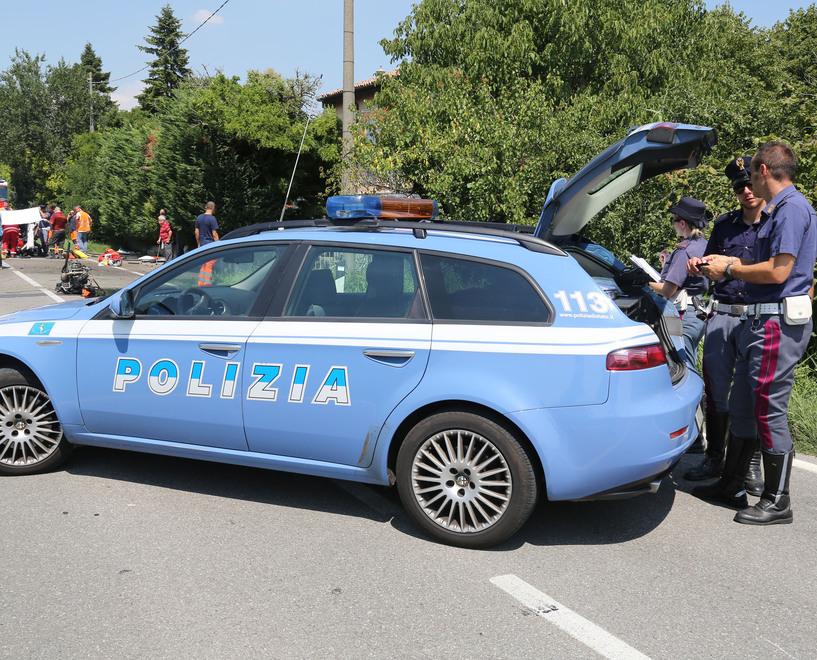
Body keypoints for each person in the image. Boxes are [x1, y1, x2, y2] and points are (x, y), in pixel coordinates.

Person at [693, 141, 817, 524]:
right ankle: (732, 482)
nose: (749, 185)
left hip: (775, 322)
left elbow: (780, 272)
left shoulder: (791, 209)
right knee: (746, 405)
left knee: (768, 409)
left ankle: (777, 500)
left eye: (752, 175)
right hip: (760, 321)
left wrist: (730, 267)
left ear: (764, 170)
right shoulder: (784, 209)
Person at [684, 157, 766, 489]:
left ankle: (751, 467)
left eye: (750, 184)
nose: (746, 191)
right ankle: (714, 458)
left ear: (761, 184)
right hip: (724, 312)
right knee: (716, 390)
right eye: (739, 187)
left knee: (758, 392)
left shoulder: (776, 224)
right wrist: (696, 265)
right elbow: (711, 266)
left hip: (761, 316)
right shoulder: (724, 225)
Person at [648, 196, 710, 369]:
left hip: (684, 315)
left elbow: (668, 291)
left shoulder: (684, 251)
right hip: (699, 313)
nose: (673, 224)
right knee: (690, 363)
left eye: (674, 220)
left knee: (683, 369)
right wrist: (667, 264)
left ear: (682, 223)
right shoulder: (704, 245)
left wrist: (644, 281)